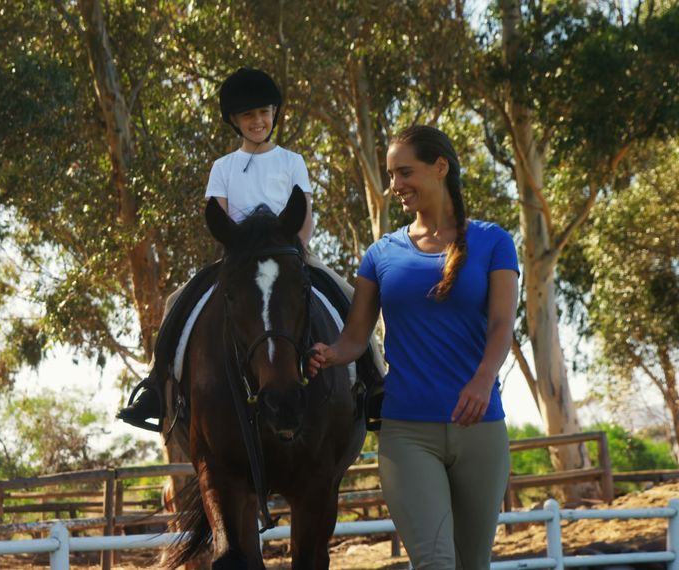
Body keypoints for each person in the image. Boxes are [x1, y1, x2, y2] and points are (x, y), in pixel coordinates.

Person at [307, 125, 519, 569]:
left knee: (471, 563)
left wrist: (483, 381)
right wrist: (328, 354)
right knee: (435, 562)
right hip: (406, 433)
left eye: (405, 172)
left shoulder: (493, 241)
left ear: (440, 167)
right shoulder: (381, 254)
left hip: (479, 428)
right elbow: (354, 338)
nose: (395, 186)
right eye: (390, 175)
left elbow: (502, 324)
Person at [117, 67, 374, 431]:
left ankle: (374, 379)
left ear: (274, 114)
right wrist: (239, 251)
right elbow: (219, 217)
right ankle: (157, 388)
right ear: (235, 121)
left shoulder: (291, 161)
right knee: (176, 301)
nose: (258, 121)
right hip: (238, 259)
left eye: (263, 112)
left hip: (290, 254)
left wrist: (294, 251)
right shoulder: (223, 167)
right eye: (249, 115)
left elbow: (306, 218)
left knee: (348, 294)